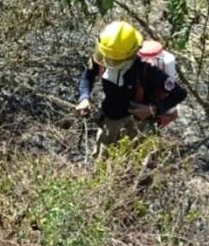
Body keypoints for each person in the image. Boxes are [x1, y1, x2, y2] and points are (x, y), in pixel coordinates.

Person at [75, 20, 186, 150]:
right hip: (109, 121)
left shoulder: (146, 70)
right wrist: (84, 98)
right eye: (107, 56)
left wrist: (152, 109)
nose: (108, 61)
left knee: (130, 162)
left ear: (129, 55)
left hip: (136, 125)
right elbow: (88, 76)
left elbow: (179, 93)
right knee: (103, 160)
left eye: (114, 59)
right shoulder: (103, 56)